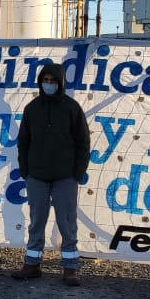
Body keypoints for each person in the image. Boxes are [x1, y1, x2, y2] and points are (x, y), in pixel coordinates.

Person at [9, 60, 92, 287]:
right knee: (37, 221)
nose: (49, 84)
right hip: (36, 176)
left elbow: (83, 142)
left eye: (53, 80)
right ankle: (32, 264)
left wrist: (77, 172)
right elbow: (23, 142)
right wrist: (26, 171)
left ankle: (70, 268)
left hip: (65, 176)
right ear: (40, 82)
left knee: (67, 222)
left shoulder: (71, 108)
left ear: (60, 82)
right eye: (45, 80)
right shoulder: (31, 109)